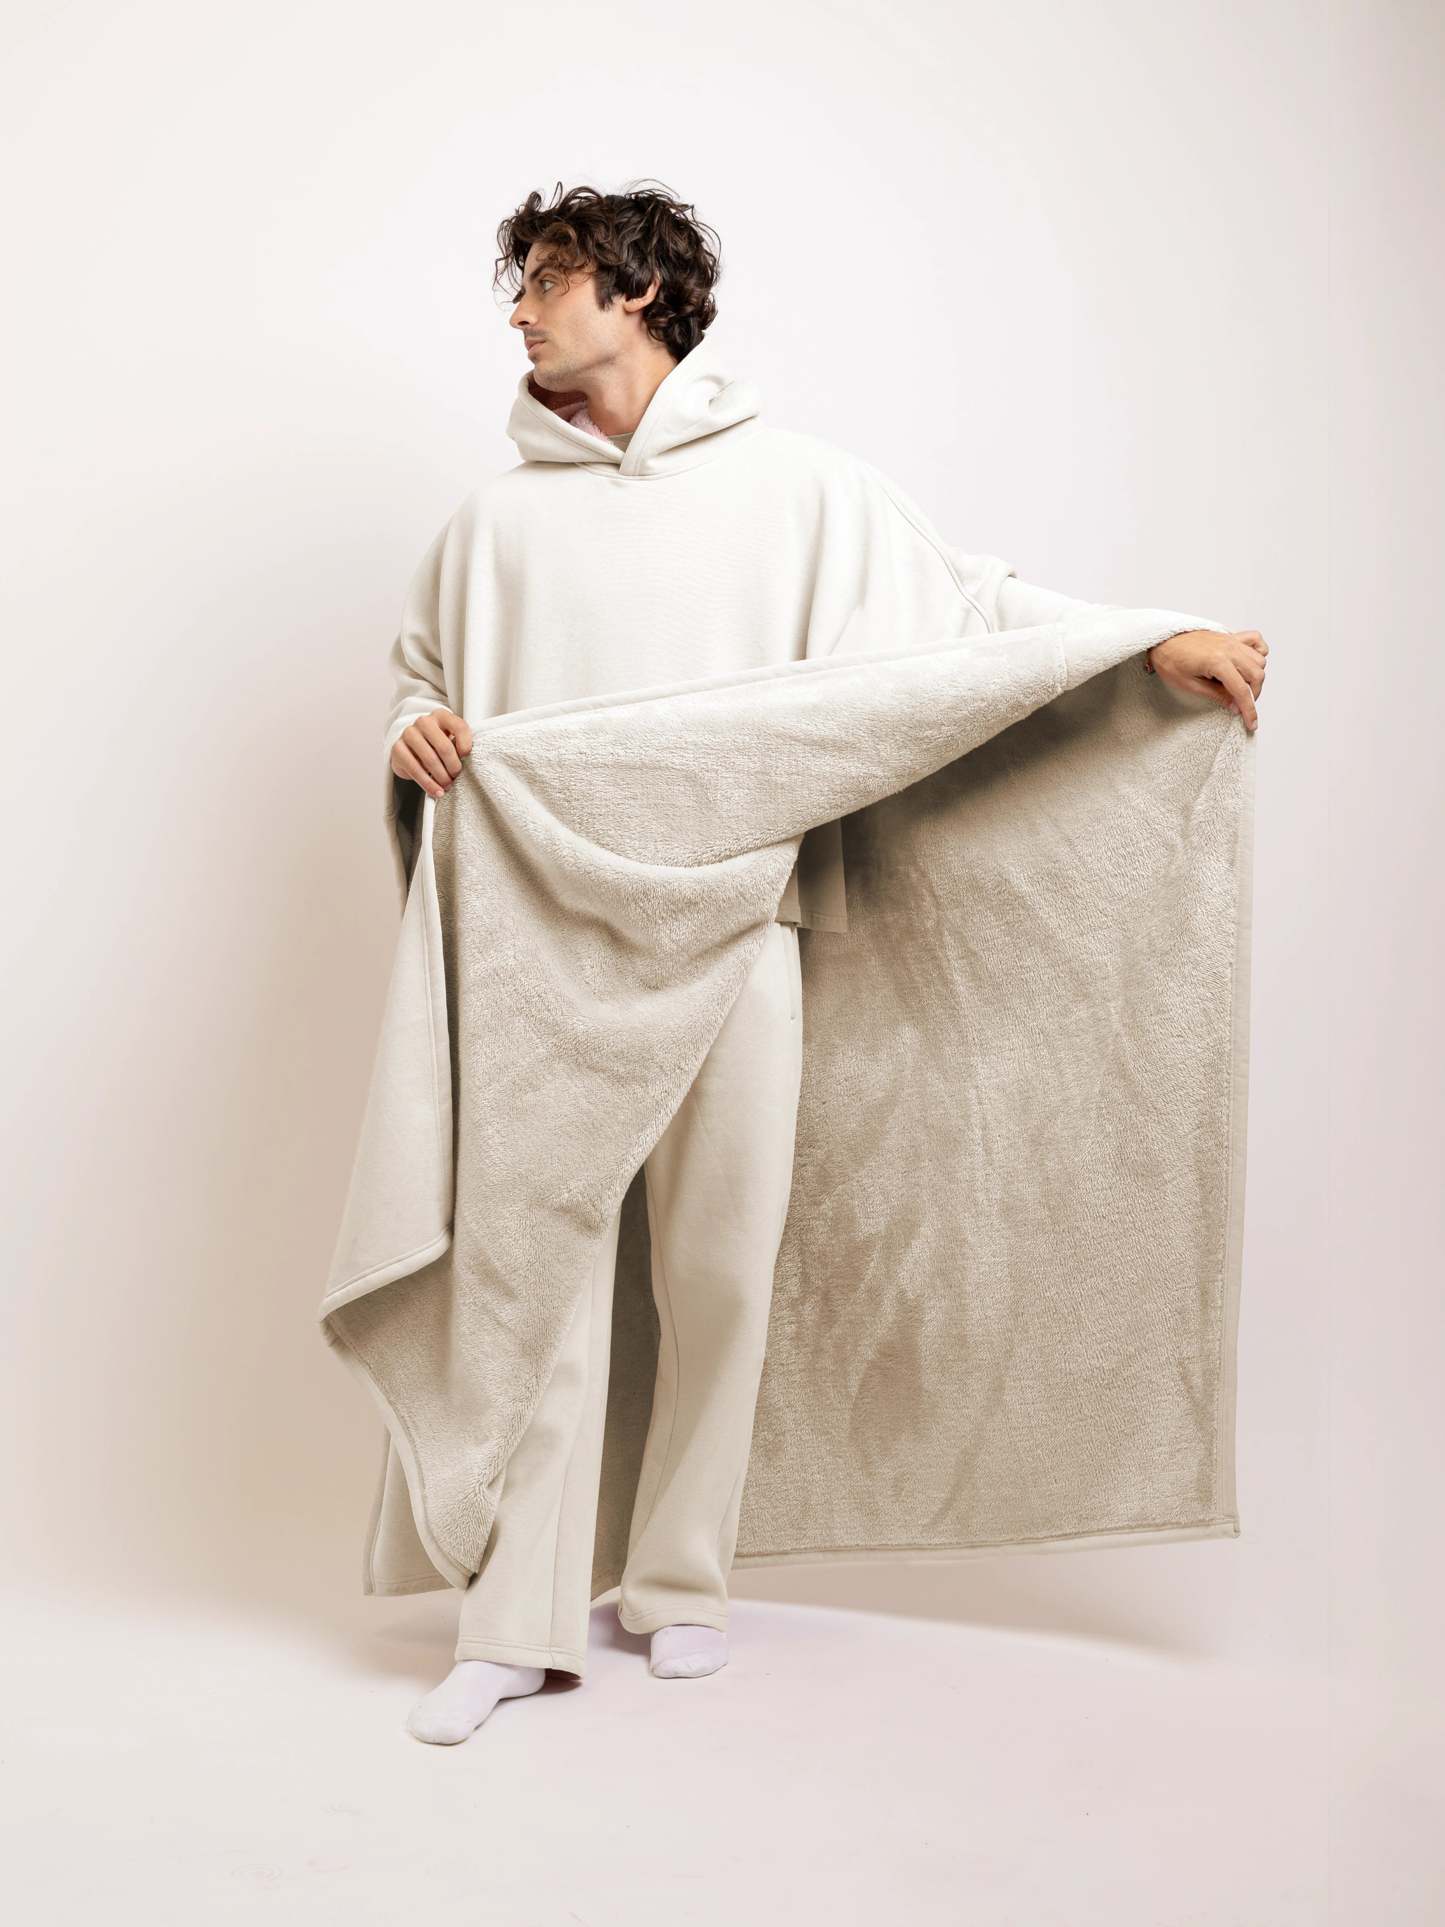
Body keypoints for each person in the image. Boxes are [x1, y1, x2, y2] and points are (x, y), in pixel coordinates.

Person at [384, 181, 1268, 1745]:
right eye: (519, 284)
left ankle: (678, 1584)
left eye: (546, 279)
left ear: (634, 290)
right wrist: (413, 731)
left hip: (742, 929)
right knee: (540, 1278)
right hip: (541, 949)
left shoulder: (798, 489)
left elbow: (968, 611)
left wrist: (1150, 638)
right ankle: (512, 1623)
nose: (518, 310)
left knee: (720, 1270)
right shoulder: (491, 523)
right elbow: (420, 683)